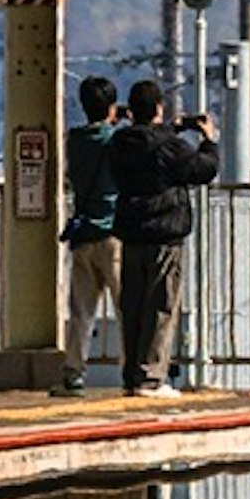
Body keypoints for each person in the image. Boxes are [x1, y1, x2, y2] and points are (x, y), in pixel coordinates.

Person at [112, 76, 219, 396]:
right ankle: (152, 376)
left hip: (131, 234)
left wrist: (166, 129)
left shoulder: (119, 144)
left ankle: (132, 374)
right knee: (160, 305)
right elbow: (203, 169)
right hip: (164, 235)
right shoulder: (170, 147)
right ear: (159, 108)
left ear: (130, 111)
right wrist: (208, 139)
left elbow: (146, 147)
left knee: (132, 305)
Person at [64, 77, 125, 377]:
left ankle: (74, 371)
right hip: (113, 233)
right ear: (112, 107)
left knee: (81, 311)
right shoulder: (116, 141)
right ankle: (132, 369)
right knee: (125, 308)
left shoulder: (73, 140)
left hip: (83, 235)